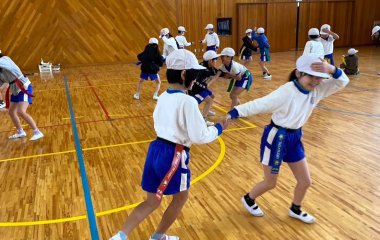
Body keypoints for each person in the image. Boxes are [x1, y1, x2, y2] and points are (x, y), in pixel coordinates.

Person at [110, 49, 230, 240]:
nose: (196, 77)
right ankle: (157, 237)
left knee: (152, 201)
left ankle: (119, 236)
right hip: (174, 154)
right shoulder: (188, 101)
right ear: (184, 74)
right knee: (181, 198)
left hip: (155, 149)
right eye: (194, 73)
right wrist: (219, 128)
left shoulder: (164, 96)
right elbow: (200, 136)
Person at [227, 54, 349, 224]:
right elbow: (260, 104)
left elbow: (343, 81)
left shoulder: (318, 89)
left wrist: (332, 69)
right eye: (311, 76)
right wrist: (235, 112)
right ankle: (248, 199)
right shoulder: (287, 91)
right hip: (276, 137)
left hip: (295, 137)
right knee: (270, 183)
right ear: (299, 74)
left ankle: (295, 209)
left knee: (305, 181)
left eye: (319, 77)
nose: (315, 81)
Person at [0, 53, 44, 141]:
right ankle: (20, 132)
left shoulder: (5, 59)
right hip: (15, 89)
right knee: (11, 112)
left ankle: (37, 132)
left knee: (21, 111)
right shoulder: (0, 71)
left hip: (23, 87)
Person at [188, 50, 220, 126]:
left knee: (212, 96)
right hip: (196, 90)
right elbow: (195, 81)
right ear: (210, 61)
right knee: (209, 101)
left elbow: (218, 72)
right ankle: (204, 120)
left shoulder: (210, 67)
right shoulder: (202, 70)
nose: (216, 61)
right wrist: (205, 86)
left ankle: (206, 110)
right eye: (215, 59)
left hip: (202, 87)